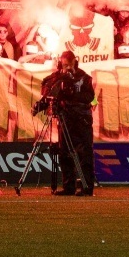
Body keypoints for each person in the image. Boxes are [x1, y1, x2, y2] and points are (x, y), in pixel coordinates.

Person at [40, 50, 96, 196]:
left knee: (85, 153)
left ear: (74, 62)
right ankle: (68, 187)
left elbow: (90, 97)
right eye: (65, 65)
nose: (68, 68)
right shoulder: (58, 78)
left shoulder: (84, 77)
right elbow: (48, 91)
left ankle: (87, 187)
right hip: (65, 118)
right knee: (64, 152)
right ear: (61, 64)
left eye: (69, 65)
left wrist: (73, 94)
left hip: (82, 119)